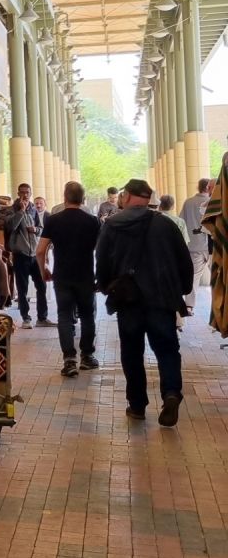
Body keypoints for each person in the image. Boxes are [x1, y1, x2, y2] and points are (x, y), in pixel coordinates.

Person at [96, 179, 194, 427]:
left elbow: (103, 261)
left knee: (131, 352)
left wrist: (107, 285)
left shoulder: (112, 225)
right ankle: (171, 393)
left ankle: (137, 405)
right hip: (161, 298)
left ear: (127, 196)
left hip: (128, 300)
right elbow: (184, 260)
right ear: (148, 198)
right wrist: (183, 290)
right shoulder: (166, 224)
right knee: (167, 349)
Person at [36, 181, 101, 377]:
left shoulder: (53, 220)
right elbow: (103, 251)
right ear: (83, 199)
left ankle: (69, 360)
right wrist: (101, 274)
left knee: (64, 316)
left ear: (64, 198)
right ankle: (87, 357)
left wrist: (44, 269)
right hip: (85, 276)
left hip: (62, 276)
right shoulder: (93, 222)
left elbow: (40, 250)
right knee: (88, 316)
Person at [5, 183, 52, 329]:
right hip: (20, 254)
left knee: (41, 286)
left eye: (28, 193)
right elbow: (10, 226)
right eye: (22, 192)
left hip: (34, 254)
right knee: (22, 288)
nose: (25, 195)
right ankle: (26, 318)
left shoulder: (33, 209)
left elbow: (40, 228)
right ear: (18, 193)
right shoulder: (11, 209)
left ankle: (42, 318)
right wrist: (20, 211)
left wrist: (36, 230)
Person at [181, 179, 212, 288]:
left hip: (194, 245)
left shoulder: (188, 202)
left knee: (193, 277)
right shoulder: (213, 202)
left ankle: (189, 304)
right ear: (208, 188)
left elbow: (182, 222)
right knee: (218, 277)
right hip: (212, 246)